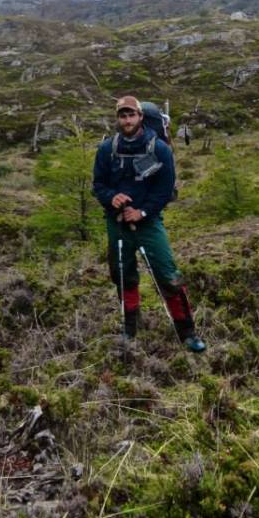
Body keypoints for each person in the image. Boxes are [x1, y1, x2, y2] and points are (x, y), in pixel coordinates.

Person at [92, 95, 206, 352]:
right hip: (117, 223)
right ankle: (130, 330)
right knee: (123, 276)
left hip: (149, 223)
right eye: (123, 115)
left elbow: (164, 190)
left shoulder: (160, 149)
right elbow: (98, 184)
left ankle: (188, 333)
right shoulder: (106, 149)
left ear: (141, 117)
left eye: (131, 115)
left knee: (168, 275)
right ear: (118, 119)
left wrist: (142, 212)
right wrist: (112, 198)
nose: (127, 120)